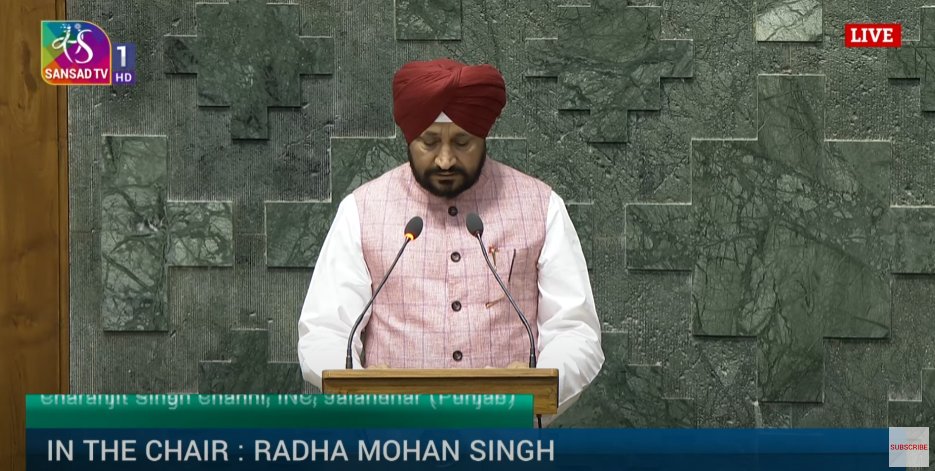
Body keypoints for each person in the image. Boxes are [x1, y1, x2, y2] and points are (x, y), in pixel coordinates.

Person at [297, 58, 603, 418]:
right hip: (391, 439)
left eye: (462, 142)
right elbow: (325, 329)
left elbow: (575, 330)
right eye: (428, 142)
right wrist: (362, 389)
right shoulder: (361, 210)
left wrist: (535, 383)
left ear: (483, 136)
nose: (444, 160)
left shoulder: (542, 205)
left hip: (508, 439)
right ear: (410, 138)